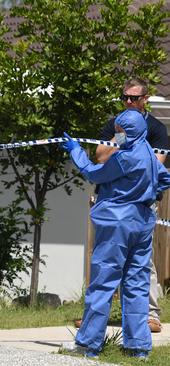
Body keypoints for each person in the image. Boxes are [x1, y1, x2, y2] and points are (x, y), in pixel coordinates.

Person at [61, 109, 170, 359]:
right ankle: (138, 346)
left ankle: (89, 344)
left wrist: (75, 150)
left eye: (119, 132)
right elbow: (164, 179)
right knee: (137, 284)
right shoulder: (150, 154)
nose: (115, 136)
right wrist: (143, 192)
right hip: (143, 223)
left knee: (103, 282)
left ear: (129, 131)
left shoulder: (125, 157)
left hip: (116, 225)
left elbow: (93, 172)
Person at [93, 77, 169, 333]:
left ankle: (150, 314)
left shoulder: (156, 128)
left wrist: (120, 153)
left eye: (133, 98)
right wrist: (124, 142)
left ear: (145, 99)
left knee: (142, 262)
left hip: (141, 206)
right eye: (124, 97)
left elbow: (154, 166)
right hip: (111, 205)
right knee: (106, 260)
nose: (128, 102)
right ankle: (97, 318)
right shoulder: (113, 126)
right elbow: (100, 156)